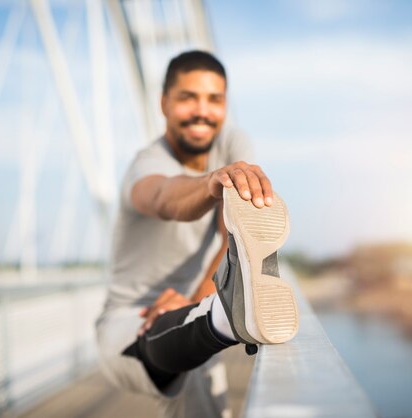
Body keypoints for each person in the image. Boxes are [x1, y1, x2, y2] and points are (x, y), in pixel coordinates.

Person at [95, 50, 298, 418]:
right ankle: (222, 317)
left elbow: (232, 238)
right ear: (164, 104)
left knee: (207, 401)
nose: (202, 111)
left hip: (195, 304)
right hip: (129, 321)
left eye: (214, 99)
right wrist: (210, 183)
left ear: (225, 105)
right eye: (188, 97)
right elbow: (164, 197)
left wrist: (196, 298)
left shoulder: (232, 144)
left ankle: (219, 312)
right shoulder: (145, 164)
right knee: (165, 330)